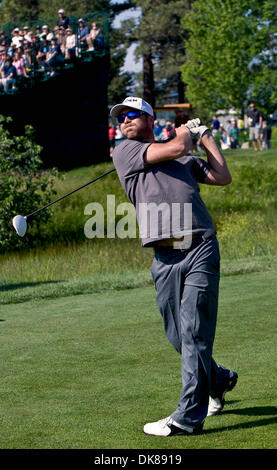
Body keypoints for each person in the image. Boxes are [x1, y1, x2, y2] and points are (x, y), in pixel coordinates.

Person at [110, 96, 238, 437]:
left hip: (199, 247)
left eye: (131, 115)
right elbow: (178, 142)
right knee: (177, 335)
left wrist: (207, 136)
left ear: (150, 119)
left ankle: (187, 418)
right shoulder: (124, 151)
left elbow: (222, 176)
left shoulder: (184, 157)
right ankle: (220, 379)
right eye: (120, 117)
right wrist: (185, 132)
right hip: (164, 259)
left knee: (194, 332)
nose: (124, 120)